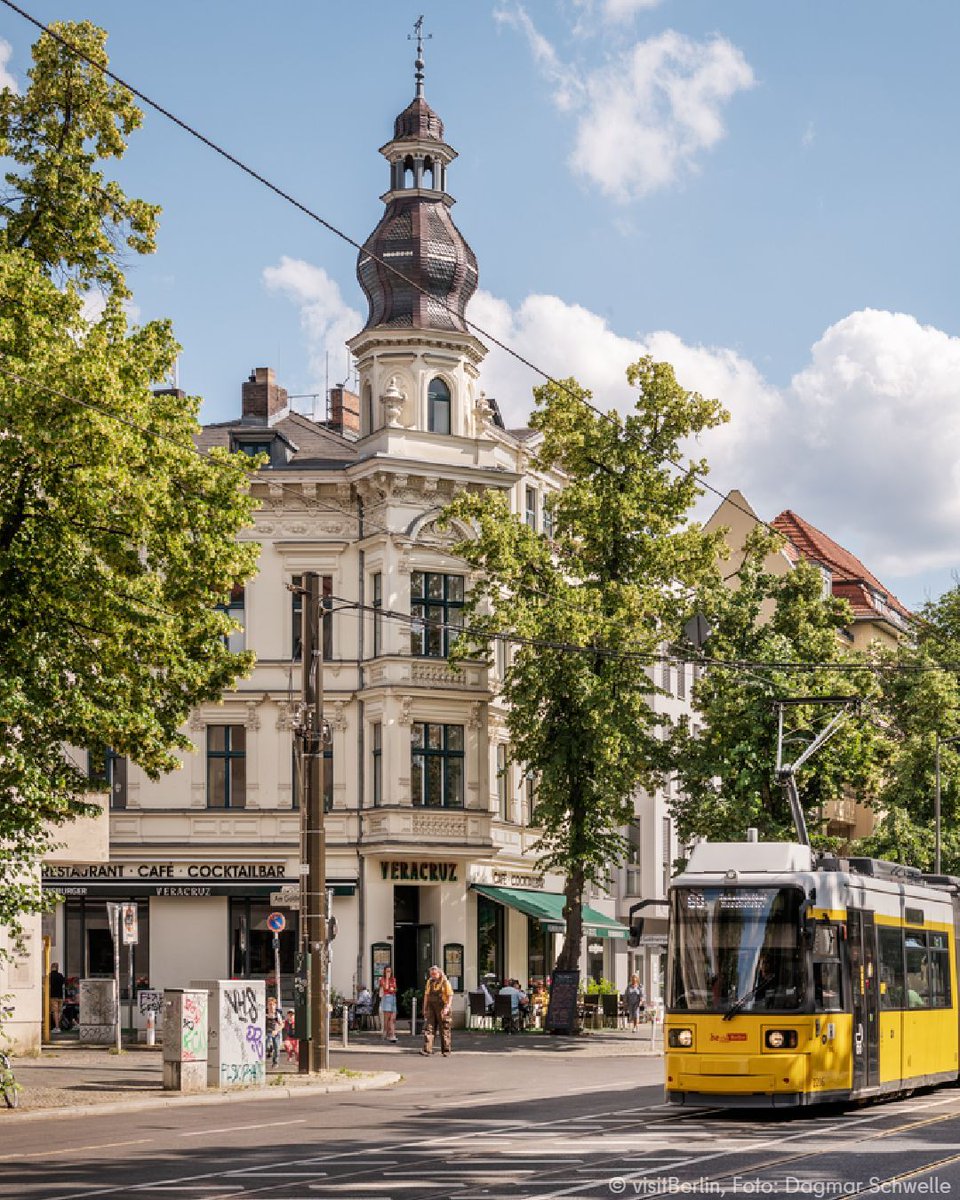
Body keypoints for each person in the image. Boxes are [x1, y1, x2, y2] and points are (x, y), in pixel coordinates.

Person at [421, 964, 453, 1057]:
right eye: (431, 974)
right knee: (429, 1028)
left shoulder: (445, 982)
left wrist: (447, 1007)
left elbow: (450, 996)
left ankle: (446, 1051)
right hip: (431, 1007)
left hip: (443, 1007)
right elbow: (426, 996)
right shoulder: (429, 982)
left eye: (434, 974)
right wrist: (425, 1008)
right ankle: (427, 1049)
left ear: (439, 973)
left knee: (444, 1029)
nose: (433, 976)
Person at [378, 967, 398, 1042]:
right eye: (387, 971)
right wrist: (387, 978)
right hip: (386, 998)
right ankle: (385, 1032)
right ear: (384, 972)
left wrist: (393, 989)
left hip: (393, 998)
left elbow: (395, 989)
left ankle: (392, 1034)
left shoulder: (393, 979)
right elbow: (386, 988)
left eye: (390, 971)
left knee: (393, 1018)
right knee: (386, 1018)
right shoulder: (382, 979)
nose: (389, 972)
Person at [264, 996, 282, 1067]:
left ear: (275, 1005)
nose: (271, 1006)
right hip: (267, 1032)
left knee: (277, 1048)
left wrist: (276, 1030)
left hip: (275, 1032)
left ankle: (275, 1062)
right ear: (267, 1005)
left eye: (273, 1005)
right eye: (270, 1004)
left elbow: (282, 1024)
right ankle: (269, 1050)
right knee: (266, 1045)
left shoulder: (277, 1014)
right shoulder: (265, 1013)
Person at [49, 962, 65, 1030]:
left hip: (53, 996)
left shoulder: (49, 976)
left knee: (55, 1011)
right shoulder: (60, 975)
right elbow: (63, 983)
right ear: (57, 968)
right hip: (60, 996)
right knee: (60, 1011)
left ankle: (57, 1027)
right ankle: (58, 1025)